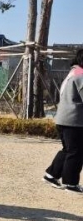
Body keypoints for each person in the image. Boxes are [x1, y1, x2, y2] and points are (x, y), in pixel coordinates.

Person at [43, 49, 83, 194]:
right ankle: (70, 183)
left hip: (63, 118)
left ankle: (51, 175)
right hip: (74, 120)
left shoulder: (74, 72)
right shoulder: (81, 75)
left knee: (68, 149)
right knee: (76, 152)